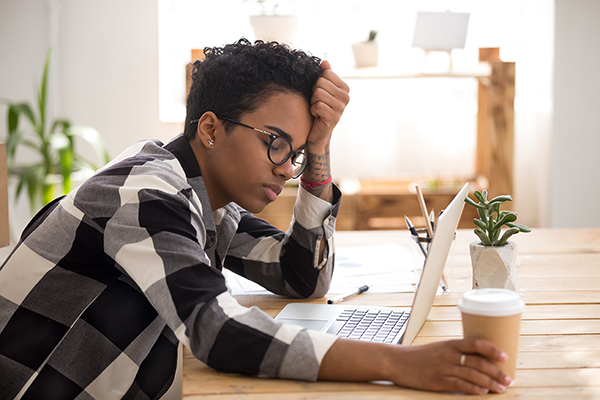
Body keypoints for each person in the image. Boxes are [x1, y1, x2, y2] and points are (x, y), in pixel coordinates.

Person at [0, 39, 510, 399]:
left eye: (298, 151)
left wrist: (322, 150)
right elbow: (216, 331)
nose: (288, 169)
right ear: (210, 129)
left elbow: (300, 276)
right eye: (276, 143)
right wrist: (397, 365)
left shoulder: (210, 203)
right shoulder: (145, 194)